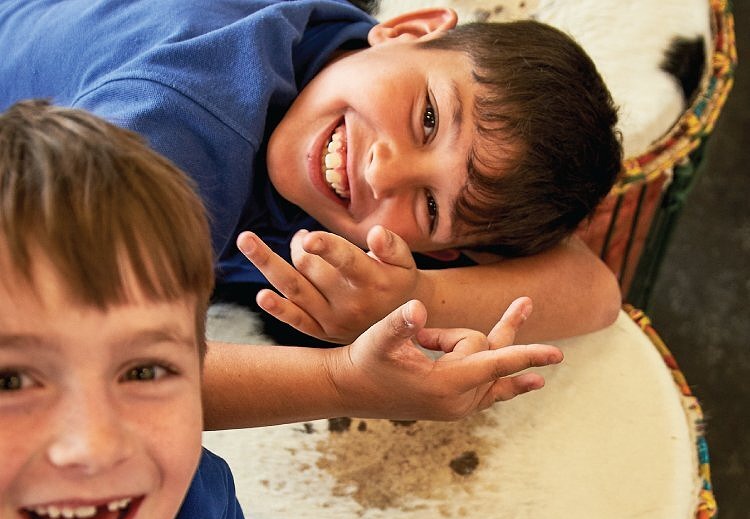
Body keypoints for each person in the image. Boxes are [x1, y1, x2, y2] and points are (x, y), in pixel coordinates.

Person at [0, 99, 563, 519]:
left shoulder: (187, 514)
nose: (98, 447)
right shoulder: (178, 113)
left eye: (144, 371)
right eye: (11, 381)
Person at [0, 0, 623, 350]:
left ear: (450, 248)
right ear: (407, 28)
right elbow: (99, 367)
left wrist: (413, 296)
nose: (384, 171)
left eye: (431, 206)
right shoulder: (185, 122)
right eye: (429, 117)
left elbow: (594, 293)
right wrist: (344, 386)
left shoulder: (352, 77)